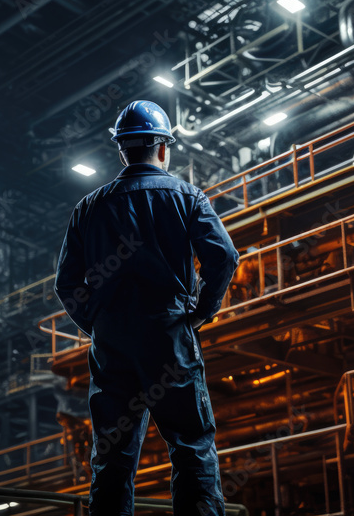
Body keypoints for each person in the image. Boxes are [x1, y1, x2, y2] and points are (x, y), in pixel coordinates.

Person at [55, 100, 239, 515]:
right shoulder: (186, 196)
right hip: (169, 335)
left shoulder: (89, 207)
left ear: (122, 150)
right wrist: (200, 311)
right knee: (190, 446)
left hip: (112, 343)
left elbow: (66, 283)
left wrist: (100, 323)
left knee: (112, 457)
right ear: (162, 147)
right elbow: (223, 257)